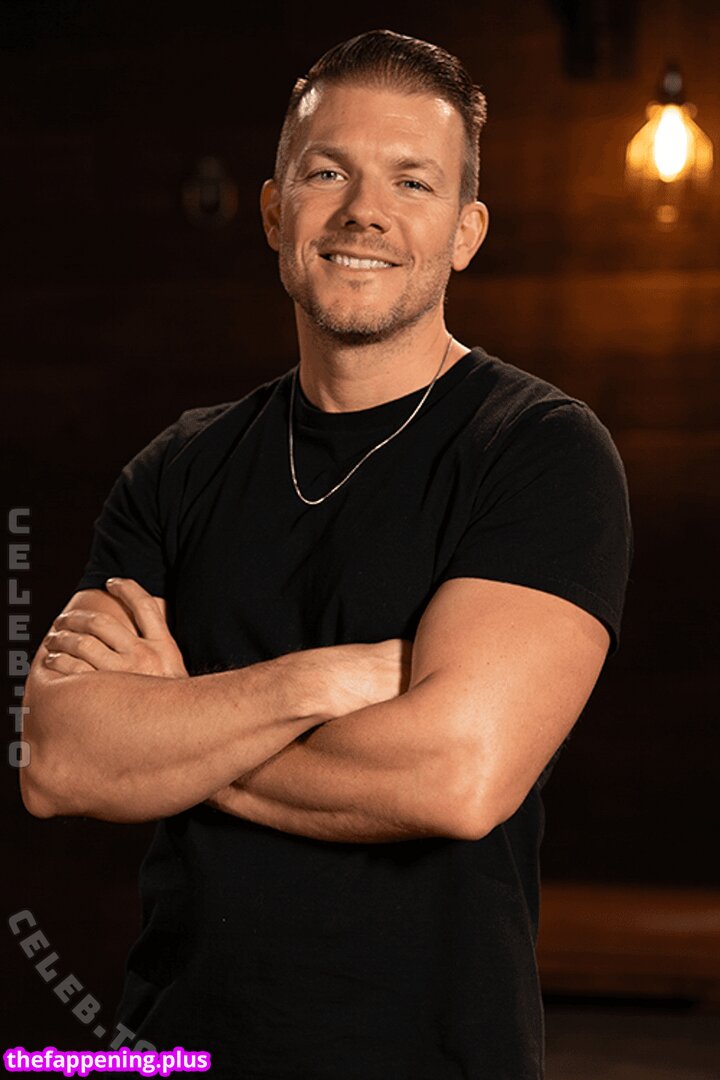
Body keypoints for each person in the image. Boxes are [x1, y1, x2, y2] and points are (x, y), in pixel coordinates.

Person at [21, 28, 632, 1080]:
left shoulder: (539, 451)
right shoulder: (178, 468)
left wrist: (174, 732)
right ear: (275, 212)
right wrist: (332, 678)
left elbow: (456, 774)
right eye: (326, 172)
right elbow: (60, 760)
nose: (364, 213)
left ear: (465, 232)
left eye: (412, 181)